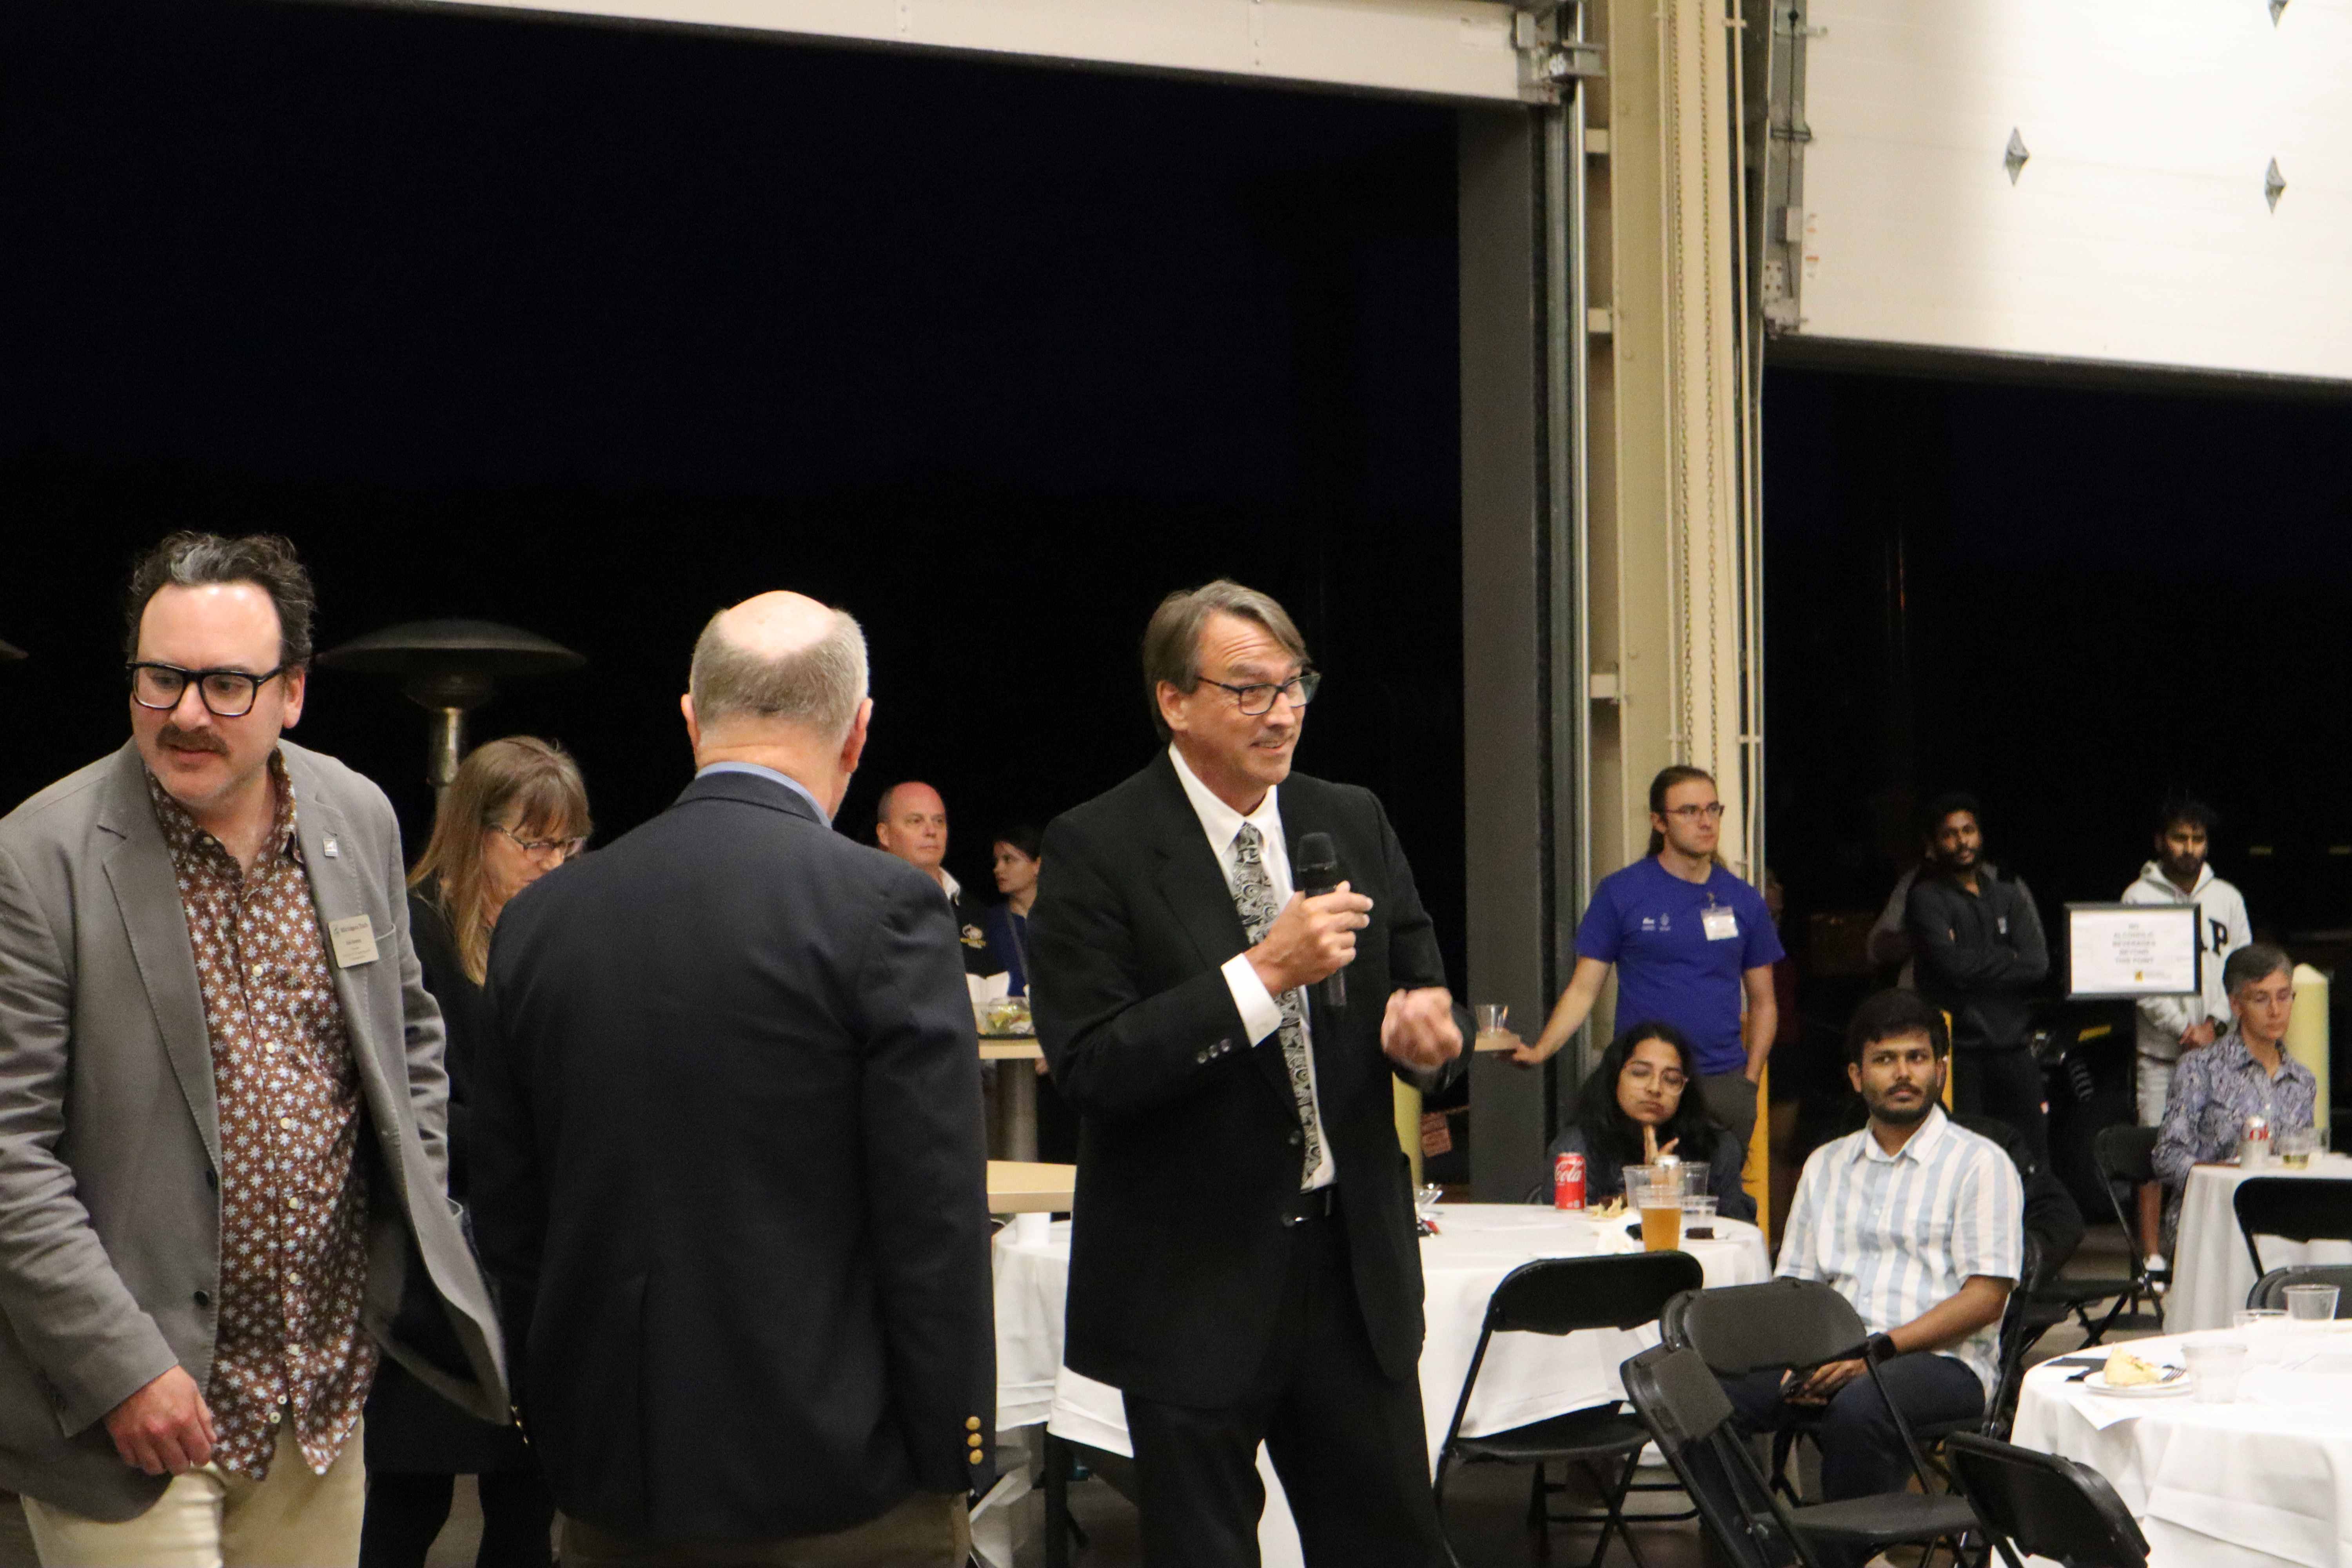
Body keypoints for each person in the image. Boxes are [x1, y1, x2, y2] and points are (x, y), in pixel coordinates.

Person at [0, 532, 507, 1564]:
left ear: (294, 693)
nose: (188, 712)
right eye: (162, 678)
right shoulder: (39, 857)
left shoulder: (355, 816)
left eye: (228, 684)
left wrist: (390, 1248)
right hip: (139, 1421)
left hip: (320, 1406)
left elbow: (409, 1033)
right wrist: (119, 1368)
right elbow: (10, 1157)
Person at [472, 592, 994, 1567]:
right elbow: (934, 1218)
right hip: (845, 1483)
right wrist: (956, 1448)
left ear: (690, 717)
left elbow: (511, 1215)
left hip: (615, 1483)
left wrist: (563, 1430)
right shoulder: (884, 907)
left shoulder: (545, 921)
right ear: (858, 731)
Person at [1028, 579, 1465, 1568]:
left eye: (1295, 683)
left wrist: (1428, 1037)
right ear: (1174, 701)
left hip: (1352, 1277)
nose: (1283, 711)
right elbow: (1094, 1064)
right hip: (1193, 1287)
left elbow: (1421, 978)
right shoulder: (1097, 846)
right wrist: (1264, 974)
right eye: (1250, 688)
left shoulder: (1349, 816)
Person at [359, 737, 591, 1568]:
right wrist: (521, 1138)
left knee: (527, 1500)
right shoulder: (412, 925)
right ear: (474, 829)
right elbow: (389, 1099)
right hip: (434, 1259)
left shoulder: (557, 933)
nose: (552, 863)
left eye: (568, 844)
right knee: (407, 1496)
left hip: (528, 1256)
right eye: (532, 841)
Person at [1724, 990, 2022, 1557]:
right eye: (1886, 1060)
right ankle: (1758, 1550)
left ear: (1941, 1069)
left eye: (1916, 1057)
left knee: (1861, 1406)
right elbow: (1798, 1287)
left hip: (1941, 1363)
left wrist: (1875, 1354)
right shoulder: (1825, 1164)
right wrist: (1800, 1357)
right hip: (1832, 1357)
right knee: (1699, 1396)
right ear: (1858, 1077)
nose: (1903, 1073)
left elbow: (1985, 1299)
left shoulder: (1980, 1163)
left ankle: (1836, 1559)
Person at [1507, 765, 1781, 1166]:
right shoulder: (1622, 892)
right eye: (1689, 811)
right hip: (1643, 1083)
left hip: (1721, 1084)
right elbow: (1584, 989)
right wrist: (1540, 1050)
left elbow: (1764, 1002)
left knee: (1717, 1213)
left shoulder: (1743, 899)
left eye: (1713, 809)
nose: (1705, 822)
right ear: (1659, 822)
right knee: (1633, 1204)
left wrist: (1750, 1081)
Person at [2122, 795, 2249, 1275]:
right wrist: (2184, 1028)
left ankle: (2215, 1252)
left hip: (2219, 1046)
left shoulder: (2228, 898)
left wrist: (2214, 1024)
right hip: (2161, 1048)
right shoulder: (2139, 895)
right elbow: (2135, 975)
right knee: (2155, 1145)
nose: (2189, 847)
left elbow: (2244, 969)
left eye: (2197, 839)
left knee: (2220, 1144)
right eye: (2180, 837)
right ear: (2161, 841)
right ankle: (2152, 1256)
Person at [1905, 792, 2051, 1163]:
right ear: (1934, 845)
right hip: (1962, 1054)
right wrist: (2007, 956)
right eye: (1950, 834)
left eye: (1968, 830)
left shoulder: (2007, 893)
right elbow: (1950, 968)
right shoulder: (1926, 898)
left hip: (2016, 1048)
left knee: (2031, 1159)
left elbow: (2037, 964)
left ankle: (2032, 1224)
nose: (1962, 841)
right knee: (1966, 1160)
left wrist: (1975, 961)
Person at [1532, 1022, 1756, 1221]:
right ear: (1615, 1077)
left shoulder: (1717, 1147)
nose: (1655, 1088)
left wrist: (1678, 1194)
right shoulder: (1577, 1147)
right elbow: (1562, 1232)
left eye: (1671, 1079)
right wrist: (1644, 1191)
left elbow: (1739, 1231)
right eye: (1640, 1073)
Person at [2152, 943, 2318, 1196]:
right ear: (2236, 1005)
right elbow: (2167, 1157)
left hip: (2279, 1214)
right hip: (2214, 1214)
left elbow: (2304, 1159)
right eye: (2261, 999)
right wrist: (2224, 1176)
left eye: (2284, 996)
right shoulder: (2200, 1069)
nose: (2275, 1010)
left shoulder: (2302, 1081)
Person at [876, 780, 1002, 976]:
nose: (931, 831)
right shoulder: (866, 907)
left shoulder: (973, 910)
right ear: (884, 835)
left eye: (939, 821)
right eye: (916, 821)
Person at [982, 824, 1043, 998]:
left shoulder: (1061, 918)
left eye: (1009, 860)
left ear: (1037, 865)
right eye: (997, 861)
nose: (998, 869)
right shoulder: (988, 922)